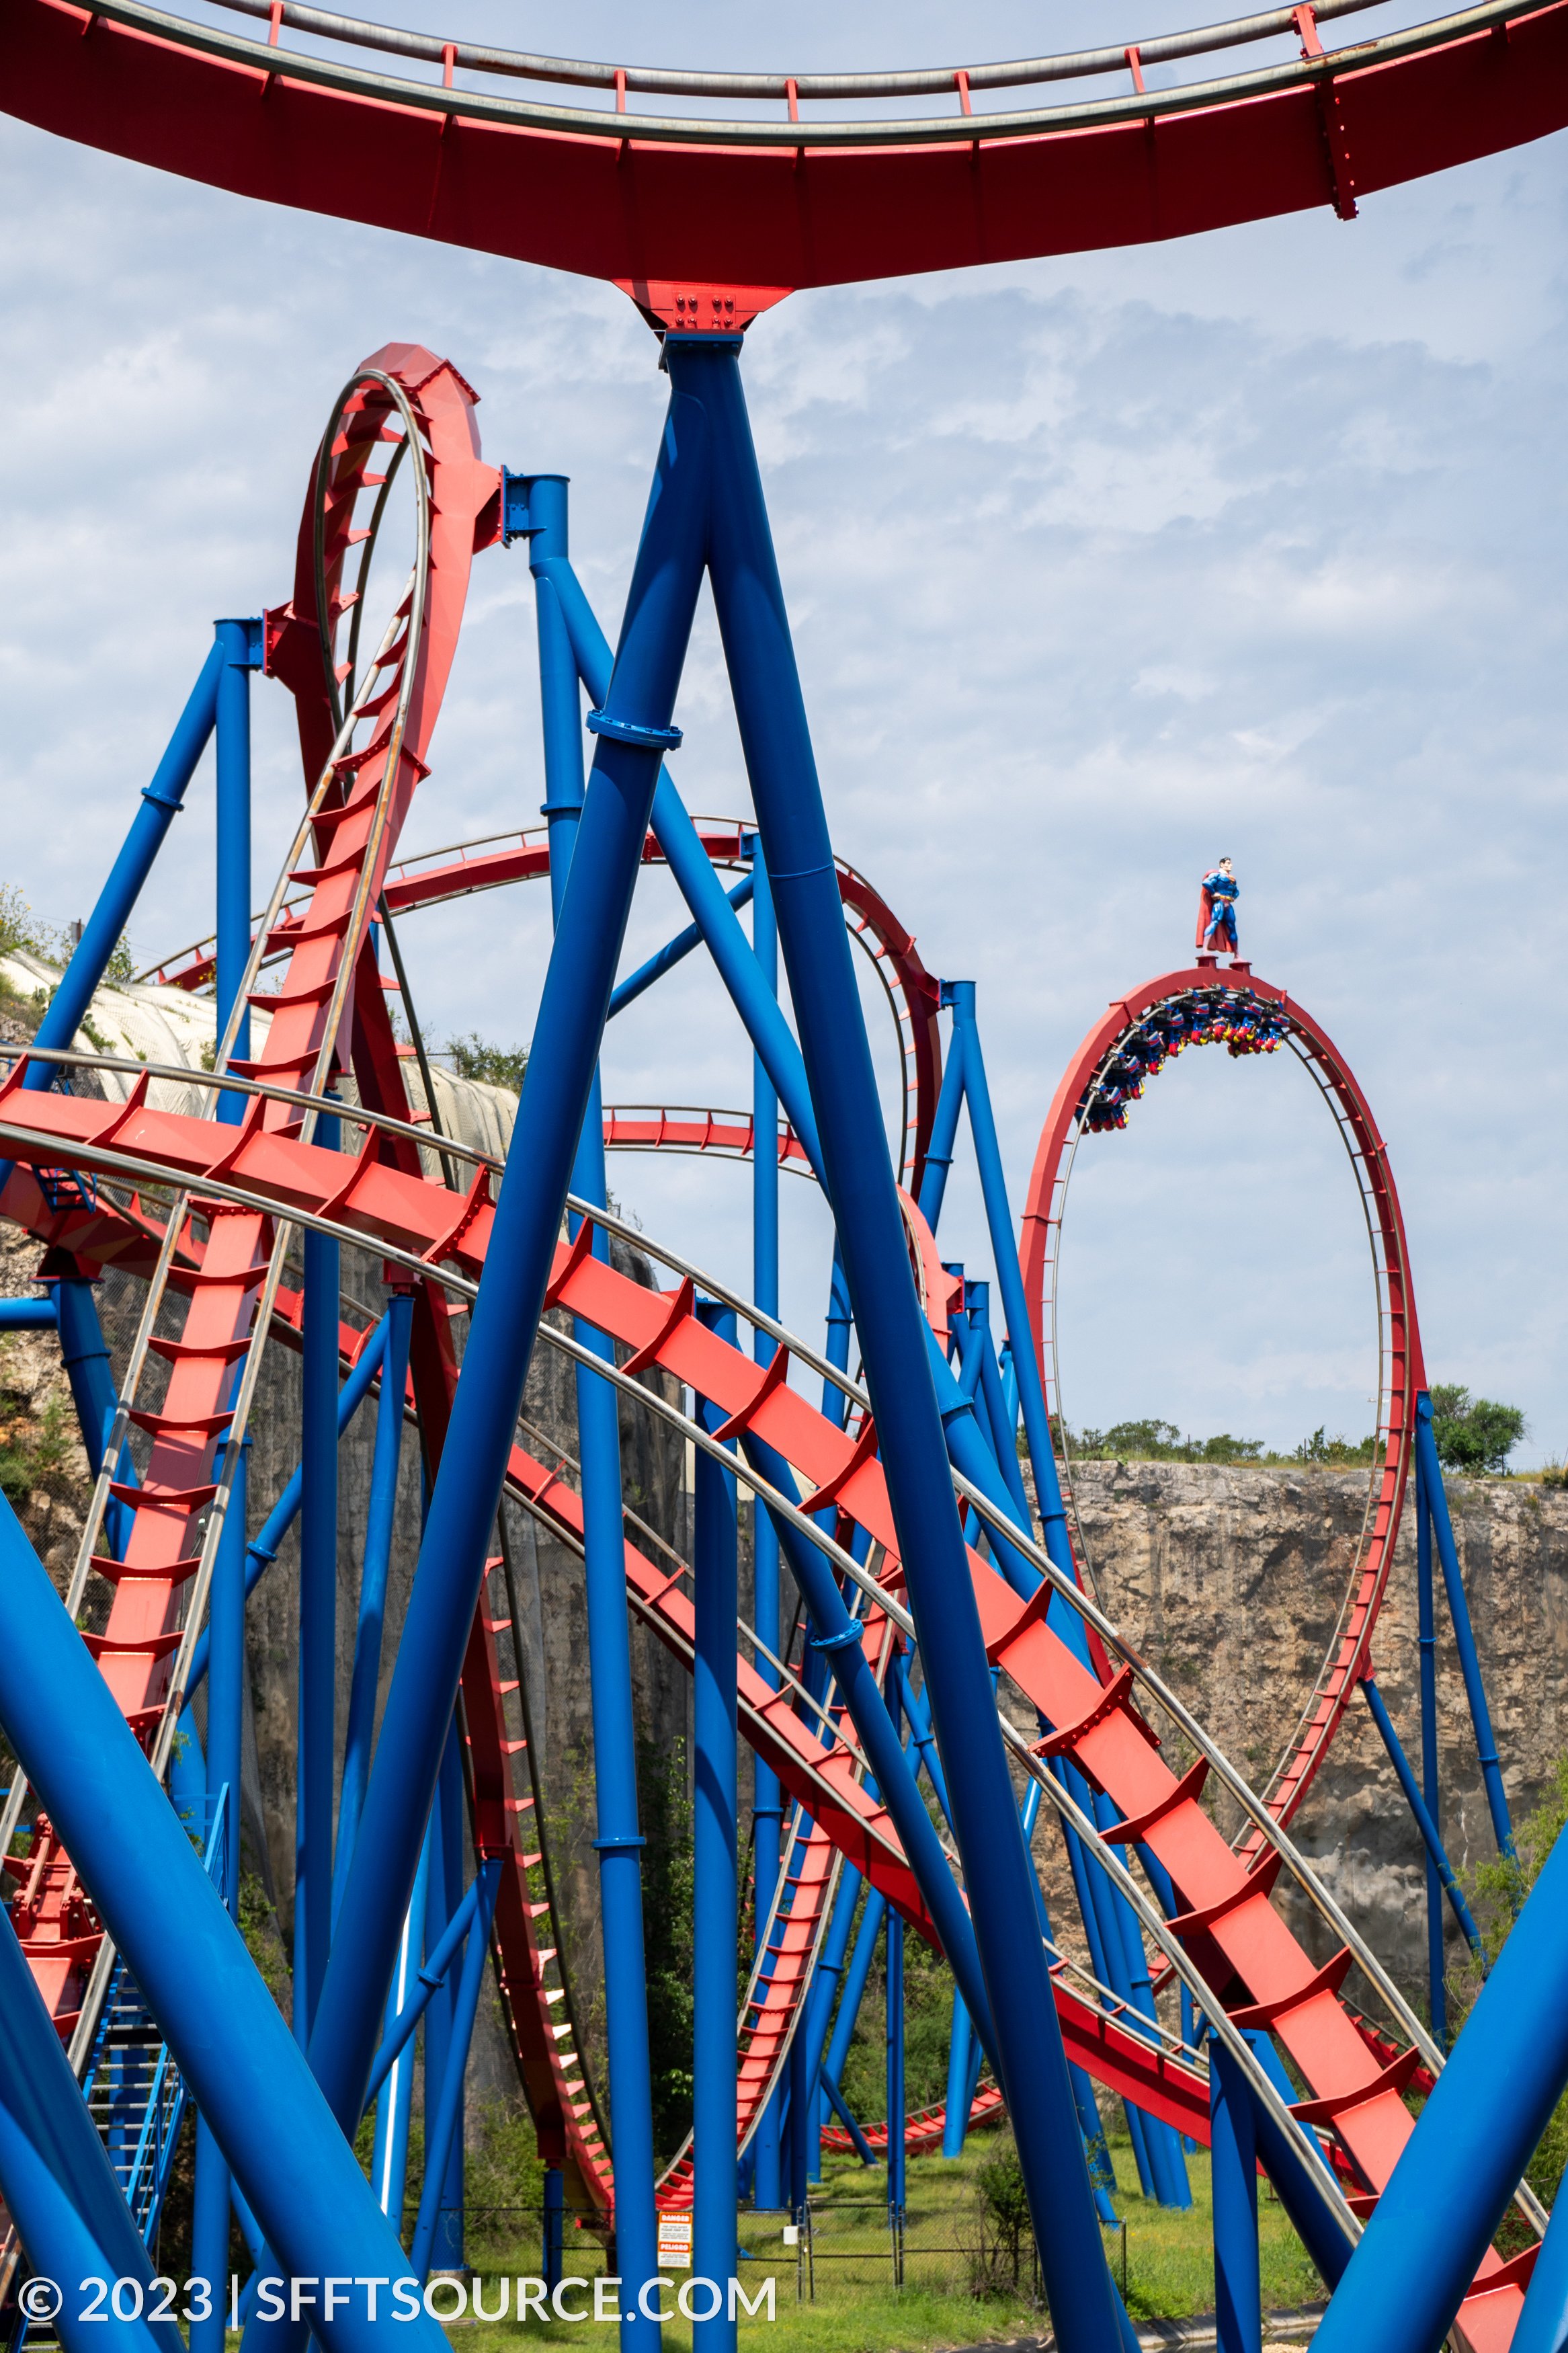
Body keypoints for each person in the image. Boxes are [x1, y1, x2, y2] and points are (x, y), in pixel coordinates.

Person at [1196, 856, 1239, 956]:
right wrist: (1213, 893)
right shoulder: (1217, 875)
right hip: (1219, 903)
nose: (1230, 865)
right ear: (1222, 864)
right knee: (1214, 922)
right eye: (1228, 863)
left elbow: (1236, 892)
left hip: (1228, 904)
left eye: (1230, 863)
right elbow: (1206, 883)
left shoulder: (1232, 879)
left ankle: (1237, 955)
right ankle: (1205, 949)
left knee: (1232, 927)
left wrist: (1233, 897)